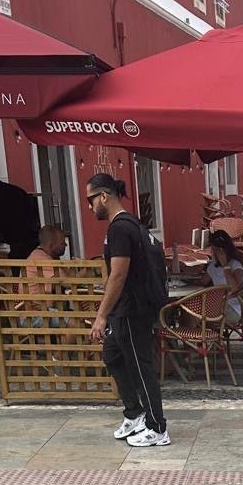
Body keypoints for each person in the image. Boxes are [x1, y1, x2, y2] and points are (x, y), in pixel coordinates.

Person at [86, 172, 168, 449]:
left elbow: (118, 274)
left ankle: (157, 428)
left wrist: (101, 316)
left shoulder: (120, 228)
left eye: (90, 200)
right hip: (126, 309)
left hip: (133, 310)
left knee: (142, 367)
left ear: (103, 196)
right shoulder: (130, 224)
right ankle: (135, 414)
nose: (89, 207)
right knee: (112, 354)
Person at [203, 230, 243, 326]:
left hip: (231, 308)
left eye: (218, 250)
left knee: (195, 314)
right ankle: (194, 334)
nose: (216, 253)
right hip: (215, 304)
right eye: (214, 249)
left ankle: (199, 334)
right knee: (189, 311)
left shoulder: (236, 265)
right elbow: (202, 282)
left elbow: (234, 288)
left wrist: (225, 266)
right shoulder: (214, 265)